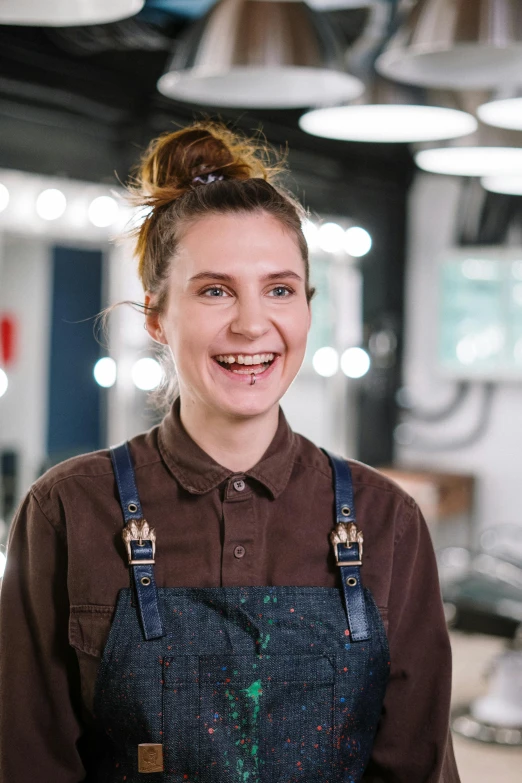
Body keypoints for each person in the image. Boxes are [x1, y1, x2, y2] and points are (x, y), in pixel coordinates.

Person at [0, 122, 460, 782]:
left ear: (307, 306)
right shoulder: (67, 509)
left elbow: (417, 768)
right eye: (215, 289)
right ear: (157, 314)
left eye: (279, 288)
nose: (251, 323)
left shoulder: (388, 521)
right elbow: (27, 761)